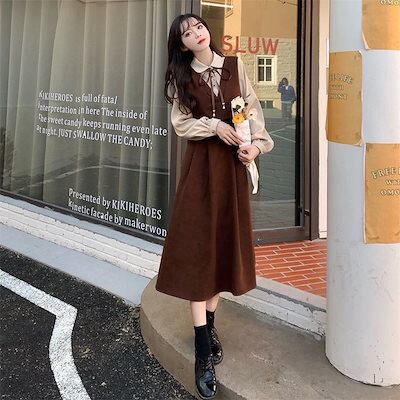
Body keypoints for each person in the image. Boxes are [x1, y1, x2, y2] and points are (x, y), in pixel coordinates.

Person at [155, 13, 274, 399]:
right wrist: (214, 125)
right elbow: (180, 124)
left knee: (222, 247)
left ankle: (207, 325)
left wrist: (255, 147)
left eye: (198, 27)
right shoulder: (182, 78)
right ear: (182, 44)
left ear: (207, 30)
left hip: (232, 170)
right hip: (201, 170)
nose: (196, 34)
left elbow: (252, 111)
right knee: (198, 251)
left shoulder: (235, 67)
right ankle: (202, 350)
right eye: (187, 33)